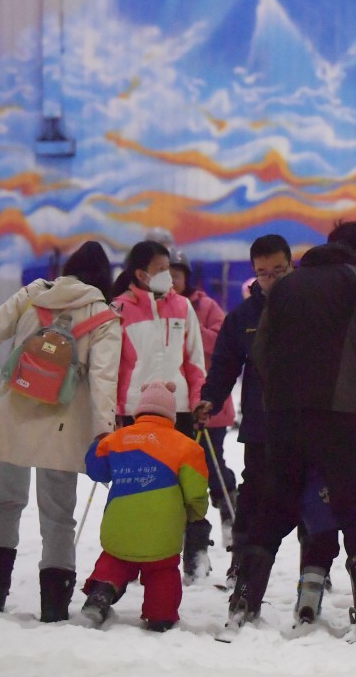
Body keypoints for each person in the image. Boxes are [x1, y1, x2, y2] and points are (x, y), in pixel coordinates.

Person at [228, 220, 356, 635]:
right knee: (354, 506)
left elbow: (262, 351)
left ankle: (243, 603)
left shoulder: (288, 285)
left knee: (276, 502)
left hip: (283, 416)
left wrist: (279, 402)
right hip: (340, 414)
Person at [0, 242, 121, 622]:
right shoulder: (104, 316)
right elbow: (103, 380)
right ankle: (54, 607)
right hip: (62, 427)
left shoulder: (34, 295)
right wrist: (102, 434)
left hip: (10, 416)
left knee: (4, 503)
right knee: (59, 516)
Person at [192, 234, 292, 581]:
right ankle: (242, 564)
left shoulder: (309, 306)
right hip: (260, 424)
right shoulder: (243, 316)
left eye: (278, 271)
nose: (271, 279)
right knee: (253, 496)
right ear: (253, 273)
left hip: (306, 423)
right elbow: (224, 366)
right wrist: (210, 398)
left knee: (311, 497)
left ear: (291, 266)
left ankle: (315, 571)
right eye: (263, 273)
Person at [110, 240, 210, 582]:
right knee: (139, 490)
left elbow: (195, 361)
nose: (169, 276)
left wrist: (198, 399)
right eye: (161, 270)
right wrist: (112, 412)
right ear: (140, 273)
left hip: (179, 410)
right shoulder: (119, 309)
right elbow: (111, 368)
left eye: (170, 268)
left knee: (185, 486)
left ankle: (193, 557)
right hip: (135, 414)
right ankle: (136, 559)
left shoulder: (183, 306)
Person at [80, 380, 209, 631]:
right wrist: (195, 514)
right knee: (162, 571)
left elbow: (96, 470)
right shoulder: (187, 447)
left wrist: (98, 442)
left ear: (138, 411)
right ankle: (160, 616)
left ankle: (101, 593)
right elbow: (196, 493)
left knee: (114, 561)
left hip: (119, 526)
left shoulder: (117, 440)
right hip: (163, 532)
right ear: (171, 415)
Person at [296, 405, 356, 624]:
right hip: (355, 485)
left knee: (319, 548)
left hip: (314, 493)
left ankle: (307, 605)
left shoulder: (301, 404)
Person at [168, 248, 232, 578]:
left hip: (207, 405)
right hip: (172, 407)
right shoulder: (158, 307)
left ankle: (225, 510)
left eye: (176, 275)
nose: (171, 281)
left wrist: (190, 330)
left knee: (209, 465)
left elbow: (223, 343)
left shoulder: (205, 306)